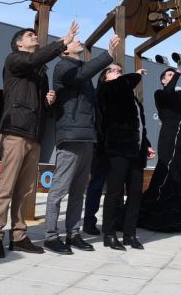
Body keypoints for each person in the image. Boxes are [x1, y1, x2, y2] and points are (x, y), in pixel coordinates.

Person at [0, 22, 79, 258]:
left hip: (34, 135)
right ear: (19, 43)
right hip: (15, 131)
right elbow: (32, 60)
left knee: (24, 190)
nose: (34, 36)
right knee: (6, 188)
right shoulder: (14, 59)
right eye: (30, 35)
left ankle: (18, 236)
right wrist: (62, 43)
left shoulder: (40, 73)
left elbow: (41, 103)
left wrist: (48, 101)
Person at [43, 35, 119, 254]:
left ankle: (73, 234)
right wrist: (109, 54)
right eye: (73, 41)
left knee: (78, 191)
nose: (78, 41)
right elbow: (81, 74)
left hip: (87, 137)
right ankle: (50, 235)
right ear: (64, 51)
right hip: (71, 135)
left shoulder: (83, 71)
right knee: (59, 189)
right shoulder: (62, 67)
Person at [138, 51, 181, 233]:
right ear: (163, 80)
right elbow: (167, 93)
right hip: (167, 135)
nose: (172, 75)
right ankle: (159, 215)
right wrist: (178, 71)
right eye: (168, 75)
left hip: (179, 135)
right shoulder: (160, 93)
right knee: (166, 169)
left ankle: (175, 218)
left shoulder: (179, 95)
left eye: (172, 74)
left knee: (175, 170)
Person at [97, 63, 154, 251]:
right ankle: (109, 234)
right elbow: (122, 84)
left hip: (135, 150)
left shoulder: (132, 98)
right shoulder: (107, 89)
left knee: (135, 193)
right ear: (104, 77)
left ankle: (130, 234)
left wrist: (146, 144)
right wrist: (135, 74)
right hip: (117, 149)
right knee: (114, 192)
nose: (118, 73)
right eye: (113, 71)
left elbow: (139, 126)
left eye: (120, 71)